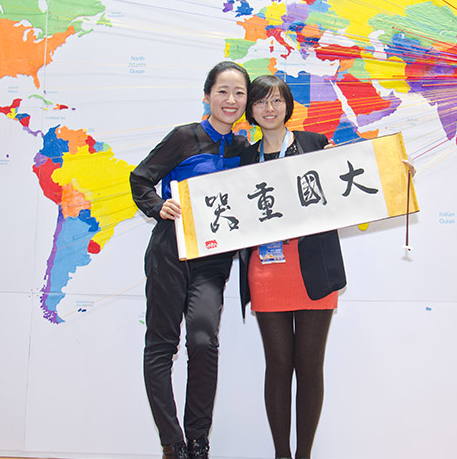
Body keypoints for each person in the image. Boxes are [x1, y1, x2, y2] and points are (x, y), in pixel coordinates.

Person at [130, 61, 251, 459]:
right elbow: (140, 178)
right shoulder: (184, 137)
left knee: (203, 340)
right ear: (207, 96)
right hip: (170, 251)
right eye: (222, 91)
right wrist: (156, 205)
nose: (230, 100)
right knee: (161, 345)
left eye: (239, 93)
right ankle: (173, 444)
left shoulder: (244, 149)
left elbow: (284, 173)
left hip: (213, 260)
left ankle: (198, 440)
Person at [238, 74, 347, 459]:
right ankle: (281, 455)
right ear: (251, 111)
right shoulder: (244, 158)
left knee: (309, 366)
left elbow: (352, 183)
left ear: (287, 105)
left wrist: (395, 174)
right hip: (267, 272)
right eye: (260, 101)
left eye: (276, 100)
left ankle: (304, 456)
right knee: (279, 365)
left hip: (314, 268)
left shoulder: (315, 144)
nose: (269, 108)